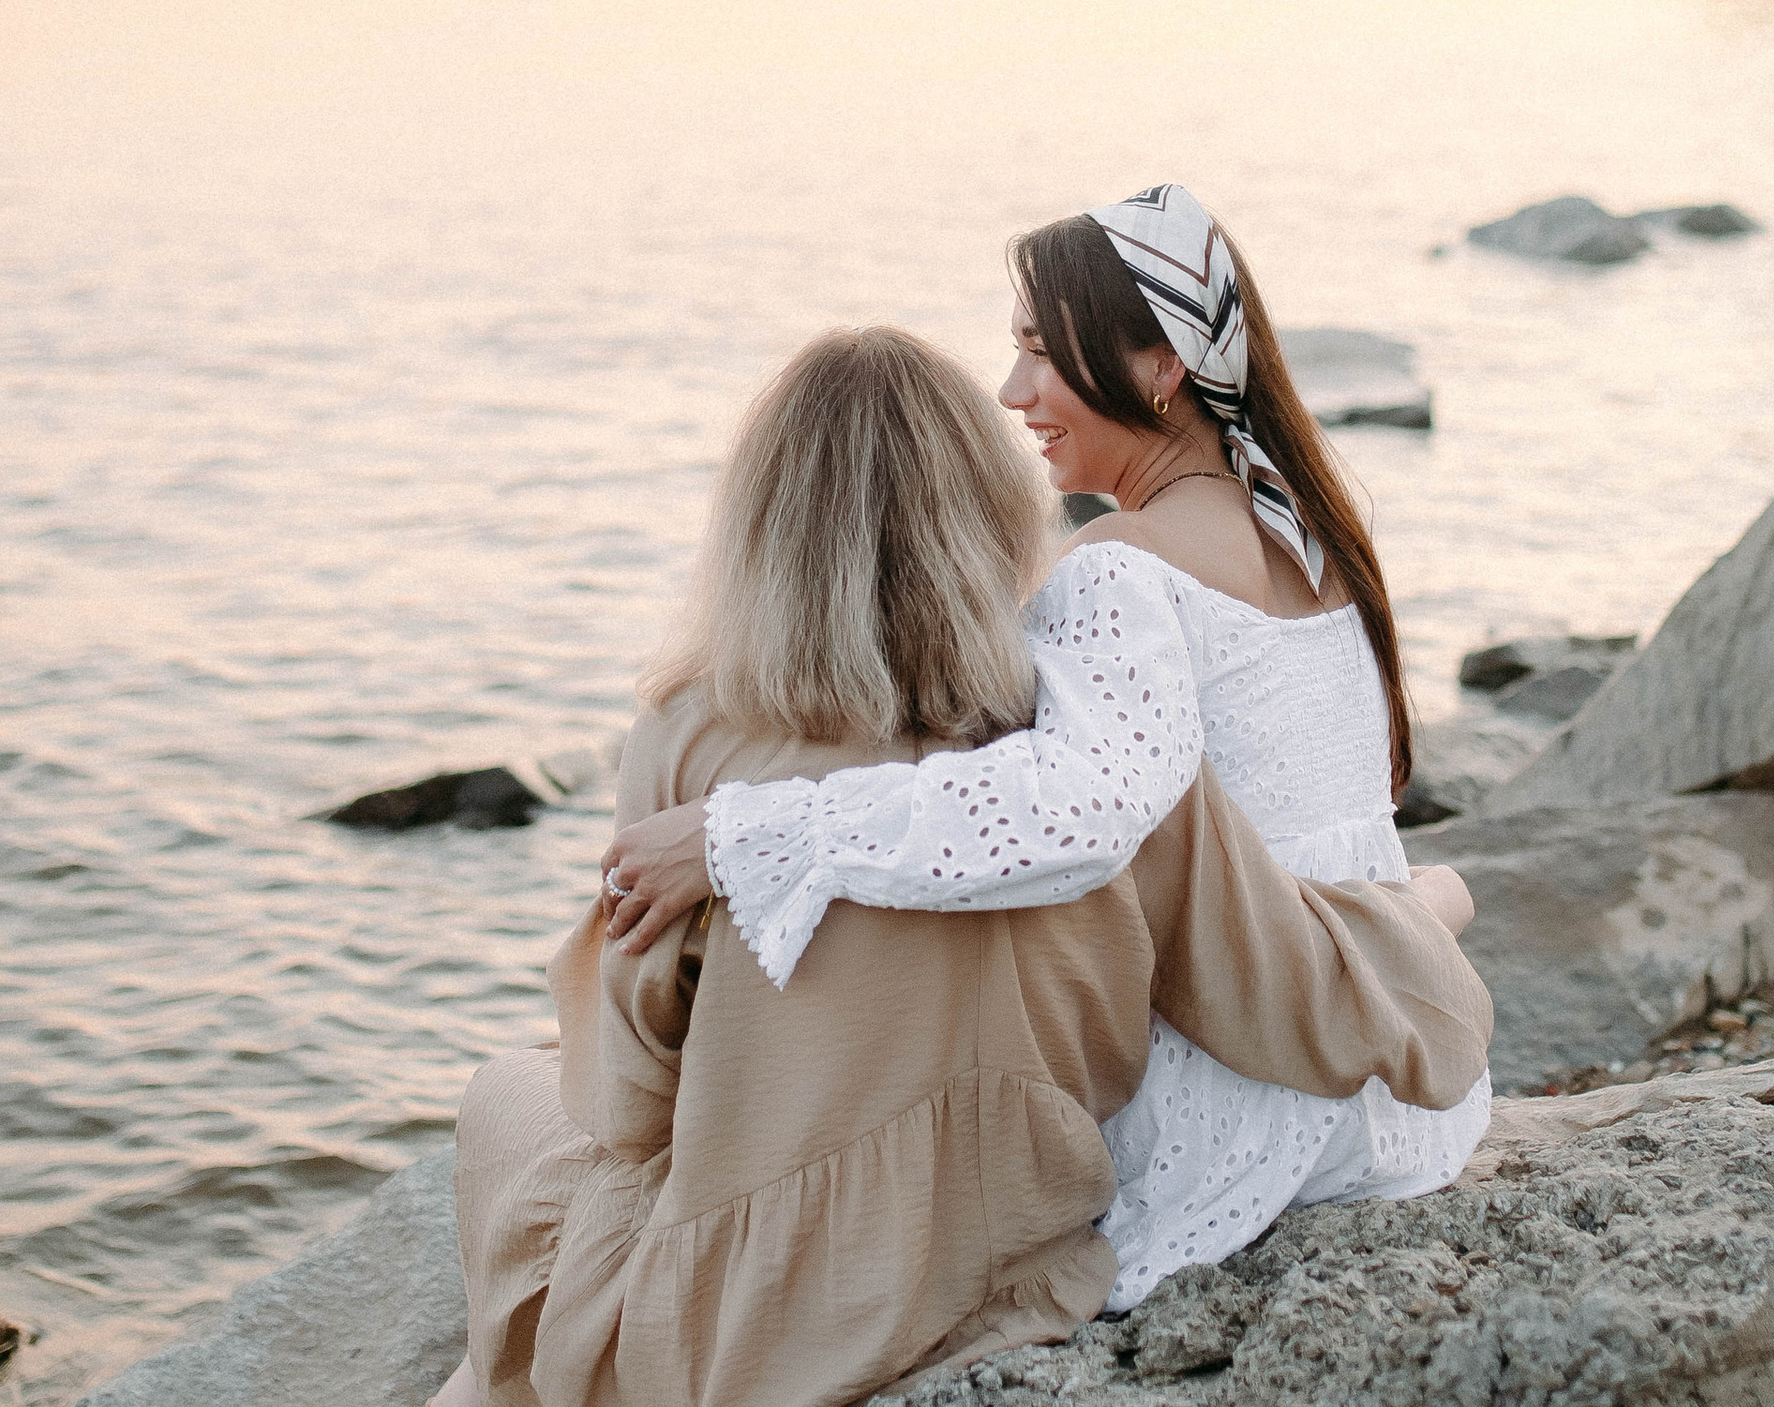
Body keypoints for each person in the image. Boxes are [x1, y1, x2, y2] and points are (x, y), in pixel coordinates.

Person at [296, 324, 1489, 1407]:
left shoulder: (695, 740)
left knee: (527, 1123)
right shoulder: (1095, 750)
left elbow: (632, 1089)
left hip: (792, 1270)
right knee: (590, 1170)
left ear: (757, 530)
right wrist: (1426, 911)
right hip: (1021, 1240)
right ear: (993, 511)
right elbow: (1278, 984)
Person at [600, 184, 1490, 1310]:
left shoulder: (1120, 565)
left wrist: (742, 835)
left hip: (1247, 1107)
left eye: (1040, 353)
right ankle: (1434, 906)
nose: (1014, 391)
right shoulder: (1309, 534)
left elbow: (1071, 812)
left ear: (1160, 366)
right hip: (1398, 1102)